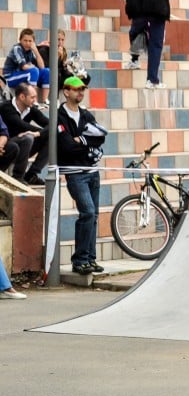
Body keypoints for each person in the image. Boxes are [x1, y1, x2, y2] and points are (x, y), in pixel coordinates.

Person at [57, 76, 108, 274]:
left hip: (92, 172)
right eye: (76, 89)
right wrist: (87, 145)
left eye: (83, 89)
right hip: (75, 172)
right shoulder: (60, 115)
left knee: (93, 215)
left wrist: (82, 142)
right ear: (66, 92)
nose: (80, 92)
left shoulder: (85, 114)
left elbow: (100, 137)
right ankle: (79, 260)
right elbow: (66, 146)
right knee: (87, 212)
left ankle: (90, 258)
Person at [124, 0, 183, 87]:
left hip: (139, 12)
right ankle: (152, 80)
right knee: (155, 45)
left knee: (134, 32)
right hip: (158, 12)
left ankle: (134, 59)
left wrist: (131, 10)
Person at [0, 82, 48, 185]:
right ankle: (18, 177)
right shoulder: (6, 108)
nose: (35, 100)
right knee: (28, 138)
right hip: (6, 147)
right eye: (32, 97)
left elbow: (52, 125)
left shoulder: (31, 109)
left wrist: (39, 134)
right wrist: (38, 132)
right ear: (22, 97)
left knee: (51, 138)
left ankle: (31, 175)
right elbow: (21, 125)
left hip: (23, 148)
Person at [3, 28, 51, 105]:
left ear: (33, 42)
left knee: (46, 71)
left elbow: (42, 66)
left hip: (23, 75)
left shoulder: (31, 51)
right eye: (25, 40)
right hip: (11, 77)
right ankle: (33, 100)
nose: (27, 43)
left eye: (30, 41)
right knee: (34, 71)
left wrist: (36, 51)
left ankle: (45, 100)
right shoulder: (17, 48)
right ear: (20, 40)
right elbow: (24, 67)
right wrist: (33, 68)